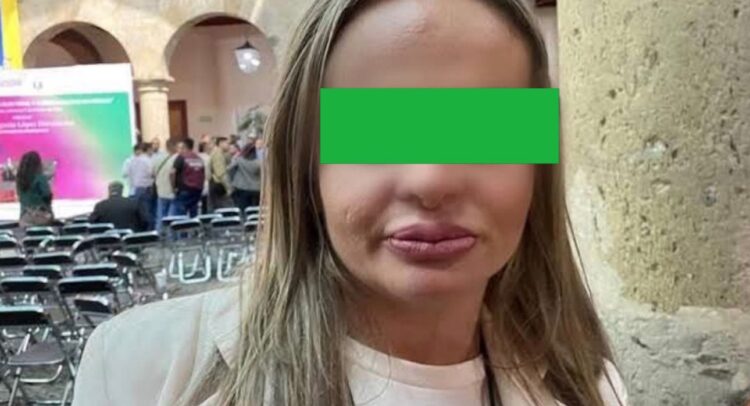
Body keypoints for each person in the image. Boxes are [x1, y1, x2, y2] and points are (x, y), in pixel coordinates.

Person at [73, 1, 629, 406]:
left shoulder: (592, 388)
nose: (431, 181)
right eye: (376, 134)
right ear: (304, 165)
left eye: (484, 133)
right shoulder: (141, 372)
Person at [16, 151, 54, 227]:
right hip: (42, 216)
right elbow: (47, 195)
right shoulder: (40, 178)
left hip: (25, 217)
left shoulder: (20, 180)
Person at [123, 143, 155, 229]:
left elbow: (126, 174)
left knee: (137, 212)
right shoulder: (148, 160)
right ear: (147, 150)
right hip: (145, 188)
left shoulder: (131, 160)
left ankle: (138, 230)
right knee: (147, 211)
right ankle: (149, 232)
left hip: (135, 188)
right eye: (151, 150)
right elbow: (151, 173)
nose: (152, 152)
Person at [170, 138, 205, 218]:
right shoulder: (198, 158)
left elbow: (172, 172)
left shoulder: (181, 157)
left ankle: (181, 226)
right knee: (193, 214)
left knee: (177, 216)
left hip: (184, 189)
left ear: (184, 147)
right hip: (197, 190)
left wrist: (173, 187)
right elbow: (203, 173)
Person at [153, 139, 179, 230]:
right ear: (175, 146)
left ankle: (159, 235)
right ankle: (171, 236)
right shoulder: (177, 158)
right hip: (173, 192)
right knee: (173, 218)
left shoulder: (157, 158)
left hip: (161, 191)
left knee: (160, 217)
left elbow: (151, 174)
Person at [228, 143, 261, 211]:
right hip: (256, 189)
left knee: (242, 209)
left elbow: (229, 168)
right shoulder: (259, 163)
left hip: (241, 188)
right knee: (255, 209)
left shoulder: (239, 160)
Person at [208, 137, 233, 211]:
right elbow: (221, 173)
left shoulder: (220, 153)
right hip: (219, 184)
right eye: (227, 143)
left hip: (217, 184)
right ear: (220, 143)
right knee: (222, 210)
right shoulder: (218, 154)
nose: (229, 145)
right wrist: (229, 188)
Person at [197, 142, 212, 214]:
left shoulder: (196, 157)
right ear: (205, 148)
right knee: (205, 203)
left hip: (196, 183)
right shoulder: (208, 158)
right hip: (206, 182)